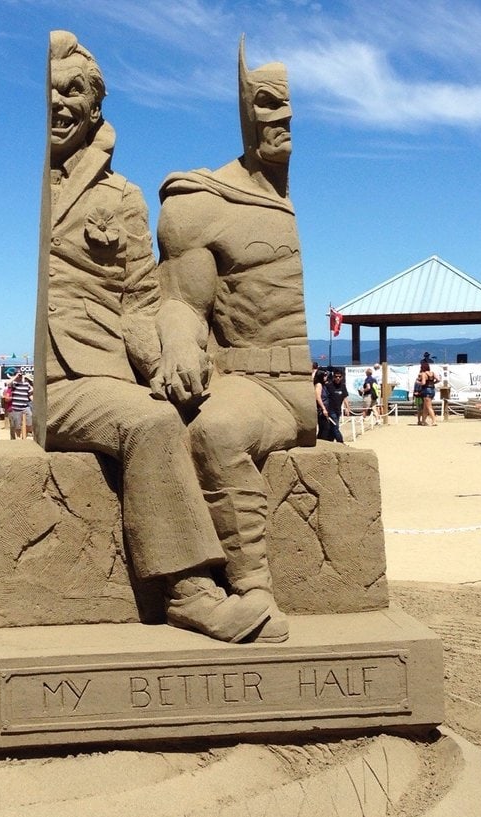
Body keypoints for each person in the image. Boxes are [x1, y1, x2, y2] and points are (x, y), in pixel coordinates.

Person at [33, 30, 275, 645]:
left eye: (74, 92)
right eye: (52, 91)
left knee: (178, 411)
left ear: (95, 108)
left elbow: (141, 303)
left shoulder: (124, 197)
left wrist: (166, 359)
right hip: (59, 381)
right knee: (152, 425)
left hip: (110, 371)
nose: (60, 103)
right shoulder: (38, 180)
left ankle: (242, 582)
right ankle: (189, 593)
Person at [155, 36, 317, 642]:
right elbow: (180, 303)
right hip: (247, 382)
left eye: (289, 105)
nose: (285, 119)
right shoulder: (203, 201)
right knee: (217, 432)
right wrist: (175, 343)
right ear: (246, 113)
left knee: (219, 429)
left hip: (294, 388)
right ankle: (255, 593)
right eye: (269, 103)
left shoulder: (281, 199)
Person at [324, 369, 350, 443]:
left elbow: (345, 397)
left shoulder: (343, 386)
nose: (338, 378)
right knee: (335, 426)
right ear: (333, 377)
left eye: (339, 376)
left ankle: (330, 441)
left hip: (338, 410)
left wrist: (347, 408)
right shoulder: (329, 385)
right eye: (336, 376)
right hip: (330, 410)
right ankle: (341, 442)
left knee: (332, 427)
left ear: (341, 377)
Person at [10, 372, 33, 440]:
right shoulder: (14, 384)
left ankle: (24, 436)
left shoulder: (26, 384)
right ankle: (19, 437)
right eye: (18, 376)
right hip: (16, 408)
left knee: (29, 421)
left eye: (20, 375)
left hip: (25, 407)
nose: (19, 377)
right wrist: (15, 376)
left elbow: (31, 390)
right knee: (17, 426)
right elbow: (7, 383)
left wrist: (24, 378)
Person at [418, 359, 440, 426]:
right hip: (432, 390)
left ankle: (434, 421)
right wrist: (433, 382)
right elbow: (438, 380)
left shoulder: (424, 374)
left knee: (429, 407)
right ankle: (423, 421)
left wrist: (418, 382)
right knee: (425, 407)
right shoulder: (432, 373)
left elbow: (423, 383)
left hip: (426, 390)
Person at [314, 368, 331, 440]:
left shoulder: (323, 385)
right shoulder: (319, 385)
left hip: (324, 408)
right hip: (321, 410)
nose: (326, 377)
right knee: (325, 428)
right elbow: (318, 397)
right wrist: (323, 409)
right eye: (324, 375)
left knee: (324, 428)